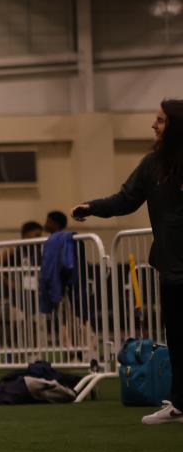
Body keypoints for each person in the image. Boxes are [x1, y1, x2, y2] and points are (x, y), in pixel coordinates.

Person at [72, 98, 183, 425]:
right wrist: (92, 207)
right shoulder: (152, 165)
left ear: (176, 127)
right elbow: (126, 199)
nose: (154, 125)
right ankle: (180, 405)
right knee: (178, 340)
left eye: (160, 120)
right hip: (171, 268)